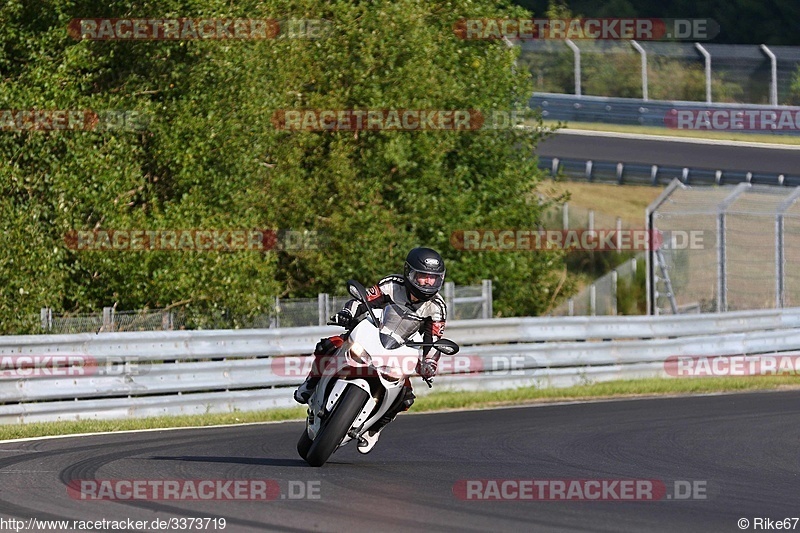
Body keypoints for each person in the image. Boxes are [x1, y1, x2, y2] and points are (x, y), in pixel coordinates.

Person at [294, 247, 447, 454]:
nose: (428, 283)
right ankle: (310, 384)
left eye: (433, 278)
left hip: (400, 349)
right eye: (422, 277)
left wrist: (430, 363)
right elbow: (362, 300)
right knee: (328, 345)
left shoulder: (437, 307)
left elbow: (434, 340)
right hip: (374, 333)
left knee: (406, 396)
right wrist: (347, 313)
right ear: (409, 273)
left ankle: (374, 429)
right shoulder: (392, 285)